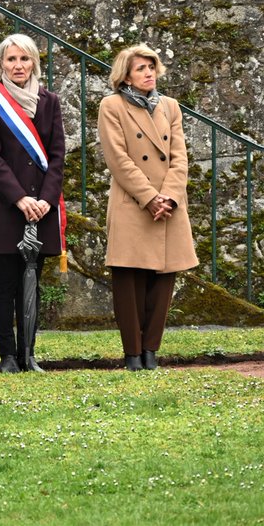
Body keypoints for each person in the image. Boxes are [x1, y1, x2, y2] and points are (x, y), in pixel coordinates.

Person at [98, 45, 197, 371]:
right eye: (140, 68)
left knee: (163, 282)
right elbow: (118, 158)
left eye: (151, 67)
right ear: (125, 74)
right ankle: (133, 354)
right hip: (133, 203)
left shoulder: (169, 106)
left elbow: (180, 157)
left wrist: (168, 196)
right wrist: (149, 197)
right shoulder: (112, 106)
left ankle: (151, 351)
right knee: (129, 282)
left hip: (169, 206)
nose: (148, 73)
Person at [0, 33, 65, 374]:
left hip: (41, 208)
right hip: (4, 207)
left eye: (24, 59)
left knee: (33, 283)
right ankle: (8, 356)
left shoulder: (50, 101)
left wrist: (45, 200)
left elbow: (57, 156)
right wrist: (20, 198)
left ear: (34, 63)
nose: (18, 66)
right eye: (11, 60)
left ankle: (29, 352)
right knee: (5, 284)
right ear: (1, 64)